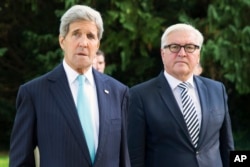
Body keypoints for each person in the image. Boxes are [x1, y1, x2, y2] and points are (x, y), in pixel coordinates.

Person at [9, 5, 130, 167]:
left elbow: (124, 159)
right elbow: (20, 162)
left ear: (98, 44)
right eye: (76, 34)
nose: (83, 43)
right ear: (62, 41)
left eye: (90, 36)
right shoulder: (34, 93)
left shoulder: (119, 92)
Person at [127, 23, 234, 167]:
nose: (182, 53)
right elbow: (134, 156)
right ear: (162, 53)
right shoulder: (140, 95)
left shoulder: (217, 90)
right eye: (174, 47)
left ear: (198, 54)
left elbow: (227, 147)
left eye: (190, 47)